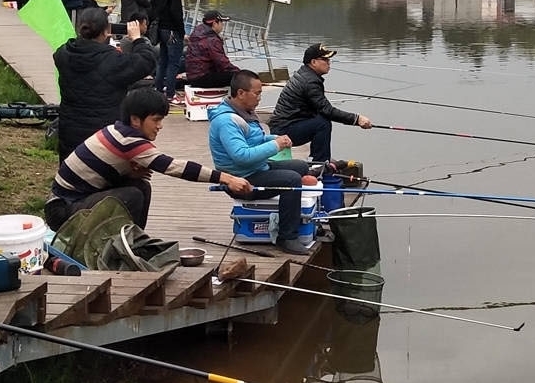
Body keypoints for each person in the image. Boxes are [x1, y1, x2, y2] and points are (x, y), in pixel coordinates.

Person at [44, 85, 252, 232]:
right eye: (156, 120)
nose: (160, 126)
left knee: (140, 186)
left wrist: (127, 173)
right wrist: (227, 179)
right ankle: (123, 244)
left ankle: (132, 239)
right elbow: (175, 167)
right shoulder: (129, 141)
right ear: (135, 120)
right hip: (62, 210)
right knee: (134, 194)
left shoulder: (118, 130)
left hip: (74, 200)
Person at [207, 70, 314, 256]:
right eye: (256, 93)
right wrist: (275, 145)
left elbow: (253, 141)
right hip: (242, 180)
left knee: (301, 166)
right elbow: (241, 155)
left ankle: (293, 215)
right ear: (241, 93)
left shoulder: (242, 112)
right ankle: (287, 237)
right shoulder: (226, 121)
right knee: (292, 180)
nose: (259, 98)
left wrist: (275, 138)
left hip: (256, 168)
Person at [53, 7, 157, 159]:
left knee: (72, 174)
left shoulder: (64, 54)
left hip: (70, 130)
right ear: (106, 31)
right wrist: (137, 39)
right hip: (103, 134)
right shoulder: (112, 60)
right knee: (104, 176)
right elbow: (147, 61)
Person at [268, 43, 371, 162]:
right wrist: (357, 119)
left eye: (329, 59)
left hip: (284, 125)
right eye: (325, 59)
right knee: (322, 124)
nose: (329, 62)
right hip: (282, 131)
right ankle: (320, 163)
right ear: (313, 62)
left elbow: (322, 108)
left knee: (320, 119)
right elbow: (327, 110)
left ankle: (320, 158)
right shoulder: (310, 82)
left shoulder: (306, 74)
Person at [148, 0, 186, 97]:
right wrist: (182, 32)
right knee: (174, 62)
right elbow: (177, 14)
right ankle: (170, 93)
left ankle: (158, 88)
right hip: (172, 30)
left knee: (163, 60)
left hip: (160, 28)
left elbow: (150, 6)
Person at [183, 9, 237, 90]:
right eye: (221, 23)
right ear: (215, 23)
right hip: (201, 77)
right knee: (235, 77)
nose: (223, 25)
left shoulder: (197, 32)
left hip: (192, 75)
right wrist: (241, 74)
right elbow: (222, 62)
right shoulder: (212, 39)